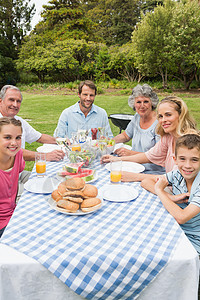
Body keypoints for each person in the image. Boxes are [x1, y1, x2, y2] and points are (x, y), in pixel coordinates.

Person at [102, 96, 197, 193]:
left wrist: (134, 176)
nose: (163, 120)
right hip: (173, 189)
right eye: (160, 116)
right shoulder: (169, 137)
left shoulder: (190, 142)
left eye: (168, 115)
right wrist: (116, 159)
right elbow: (148, 156)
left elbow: (175, 179)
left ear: (180, 115)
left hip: (185, 195)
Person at [153, 134, 200, 254]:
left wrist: (160, 191)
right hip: (175, 230)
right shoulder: (177, 174)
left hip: (194, 241)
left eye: (194, 160)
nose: (187, 165)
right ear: (175, 160)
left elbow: (182, 217)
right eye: (182, 159)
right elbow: (146, 182)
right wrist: (170, 197)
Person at [0, 85, 65, 162]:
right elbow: (12, 151)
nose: (15, 105)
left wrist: (61, 141)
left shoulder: (18, 121)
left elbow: (39, 137)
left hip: (17, 172)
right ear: (1, 101)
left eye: (18, 101)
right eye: (11, 100)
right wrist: (43, 156)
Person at [113, 84, 165, 174]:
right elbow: (126, 136)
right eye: (138, 102)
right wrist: (109, 141)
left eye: (146, 101)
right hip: (134, 167)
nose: (142, 106)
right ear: (134, 103)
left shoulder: (159, 123)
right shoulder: (137, 117)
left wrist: (130, 153)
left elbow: (158, 156)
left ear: (152, 103)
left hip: (153, 172)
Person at [0, 117, 25, 238]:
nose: (14, 143)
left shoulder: (18, 155)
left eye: (18, 138)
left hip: (14, 213)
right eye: (7, 137)